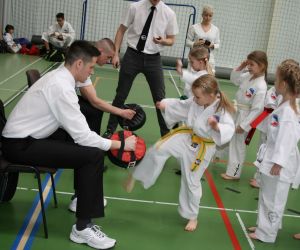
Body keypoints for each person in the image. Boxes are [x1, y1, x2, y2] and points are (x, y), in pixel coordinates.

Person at [1, 40, 137, 249]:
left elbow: (80, 134)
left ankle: (82, 199)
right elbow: (83, 136)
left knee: (90, 149)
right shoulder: (61, 87)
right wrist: (119, 145)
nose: (92, 72)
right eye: (91, 67)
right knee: (92, 155)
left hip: (31, 137)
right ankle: (82, 228)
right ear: (79, 64)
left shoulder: (61, 78)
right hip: (20, 145)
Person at [124, 74, 235, 231]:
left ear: (211, 95)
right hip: (187, 135)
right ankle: (137, 175)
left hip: (203, 147)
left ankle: (192, 216)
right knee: (158, 148)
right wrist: (165, 105)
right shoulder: (197, 100)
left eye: (197, 97)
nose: (195, 99)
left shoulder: (221, 110)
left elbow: (229, 129)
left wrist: (217, 127)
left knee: (191, 181)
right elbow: (182, 105)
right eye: (195, 96)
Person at [69, 38, 136, 213]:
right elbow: (95, 101)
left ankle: (94, 151)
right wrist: (120, 112)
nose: (107, 62)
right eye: (107, 57)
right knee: (93, 114)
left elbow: (95, 101)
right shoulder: (80, 67)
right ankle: (79, 196)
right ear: (98, 51)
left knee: (94, 112)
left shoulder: (83, 67)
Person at [103, 0, 179, 138]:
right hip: (132, 56)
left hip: (154, 59)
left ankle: (166, 136)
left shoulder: (169, 13)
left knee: (160, 100)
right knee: (120, 95)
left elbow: (172, 39)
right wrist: (115, 53)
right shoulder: (135, 7)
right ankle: (109, 130)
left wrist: (163, 41)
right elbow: (121, 30)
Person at [248, 60, 300, 243]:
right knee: (266, 196)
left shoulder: (288, 113)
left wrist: (279, 163)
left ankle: (267, 234)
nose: (274, 82)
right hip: (271, 158)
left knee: (273, 201)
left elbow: (287, 140)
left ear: (284, 84)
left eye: (276, 79)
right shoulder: (283, 104)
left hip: (280, 164)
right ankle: (265, 226)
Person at [221, 51, 268, 180]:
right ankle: (217, 155)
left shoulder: (261, 85)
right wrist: (240, 67)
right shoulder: (248, 76)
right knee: (227, 136)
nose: (249, 67)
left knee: (238, 144)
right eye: (248, 64)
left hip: (245, 116)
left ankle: (234, 173)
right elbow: (234, 79)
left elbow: (258, 110)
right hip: (236, 110)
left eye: (252, 64)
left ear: (262, 66)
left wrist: (244, 125)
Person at [186, 5, 220, 73]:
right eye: (206, 15)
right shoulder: (194, 27)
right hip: (195, 58)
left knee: (208, 80)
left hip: (209, 59)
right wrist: (195, 43)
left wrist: (212, 45)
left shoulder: (216, 29)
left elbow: (218, 44)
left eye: (210, 16)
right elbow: (187, 42)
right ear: (202, 15)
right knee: (192, 80)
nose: (208, 18)